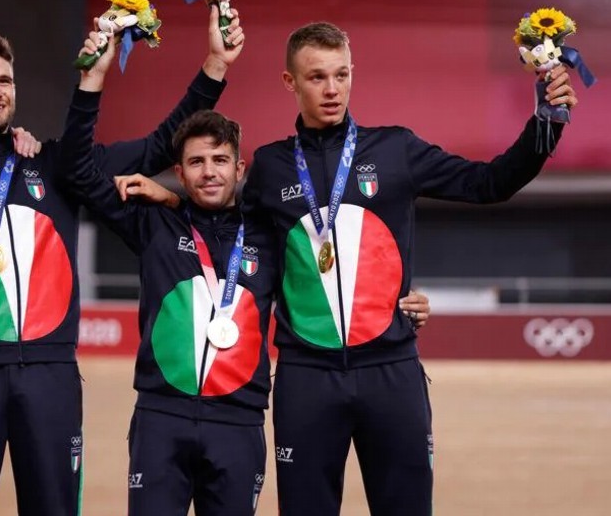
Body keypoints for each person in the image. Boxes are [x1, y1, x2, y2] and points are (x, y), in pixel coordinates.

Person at [62, 28, 432, 514]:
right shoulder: (152, 223)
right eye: (196, 163)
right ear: (179, 171)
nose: (209, 171)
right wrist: (93, 81)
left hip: (239, 423)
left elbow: (331, 265)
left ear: (240, 172)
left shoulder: (267, 236)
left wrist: (399, 297)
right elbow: (76, 170)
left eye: (220, 160)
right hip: (161, 416)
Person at [0, 4, 244, 515]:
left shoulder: (56, 165)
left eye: (4, 80)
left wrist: (215, 66)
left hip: (50, 375)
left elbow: (157, 147)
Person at [240, 21, 577, 515]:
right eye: (317, 77)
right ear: (290, 82)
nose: (332, 89)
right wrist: (167, 201)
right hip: (306, 376)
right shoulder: (270, 167)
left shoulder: (395, 149)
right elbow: (244, 262)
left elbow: (489, 183)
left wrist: (546, 124)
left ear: (352, 74)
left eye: (341, 74)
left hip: (390, 370)